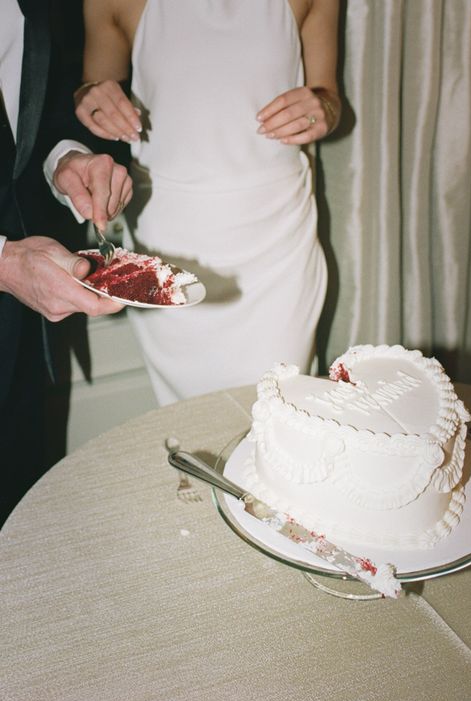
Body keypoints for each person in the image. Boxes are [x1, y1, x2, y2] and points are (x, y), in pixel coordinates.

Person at [75, 0, 341, 405]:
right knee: (188, 417)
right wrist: (92, 99)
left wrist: (322, 109)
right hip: (170, 239)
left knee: (282, 408)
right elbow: (92, 89)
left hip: (277, 240)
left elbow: (330, 100)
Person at [0, 0, 133, 526]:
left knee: (27, 516)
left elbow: (43, 110)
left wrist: (67, 160)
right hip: (20, 274)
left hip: (29, 336)